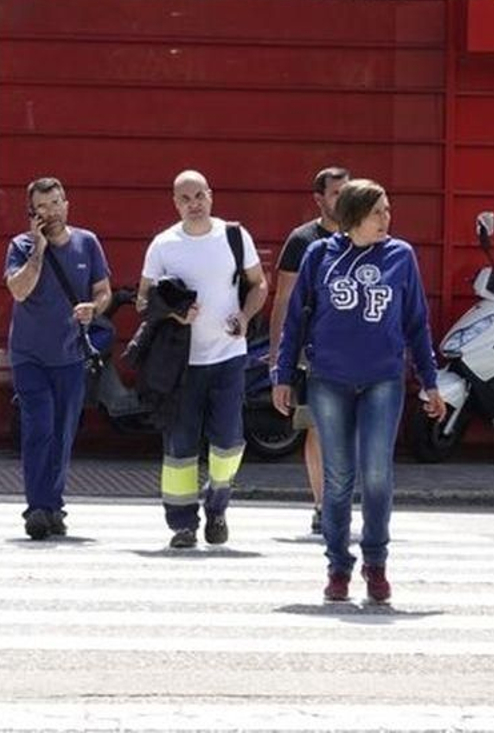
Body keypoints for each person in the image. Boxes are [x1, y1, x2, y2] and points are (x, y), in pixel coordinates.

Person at [272, 178, 443, 605]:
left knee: (377, 473)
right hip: (329, 378)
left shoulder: (401, 256)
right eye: (377, 212)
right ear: (353, 218)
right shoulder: (320, 255)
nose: (387, 218)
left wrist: (430, 380)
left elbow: (416, 322)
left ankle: (376, 562)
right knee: (338, 478)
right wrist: (283, 374)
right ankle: (337, 567)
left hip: (383, 378)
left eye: (387, 210)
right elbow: (296, 319)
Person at [139, 170, 268, 550]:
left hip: (228, 356)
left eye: (199, 196)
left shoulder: (233, 236)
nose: (194, 204)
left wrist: (244, 317)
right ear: (174, 203)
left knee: (229, 441)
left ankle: (217, 506)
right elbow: (143, 300)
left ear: (211, 196)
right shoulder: (164, 244)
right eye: (185, 198)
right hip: (181, 362)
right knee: (179, 446)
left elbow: (259, 283)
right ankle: (182, 524)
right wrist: (174, 315)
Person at [4, 177, 112, 540]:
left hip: (69, 355)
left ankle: (53, 505)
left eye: (54, 203)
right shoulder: (20, 246)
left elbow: (103, 291)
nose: (49, 212)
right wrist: (38, 249)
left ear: (67, 204)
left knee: (63, 432)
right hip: (29, 355)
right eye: (41, 207)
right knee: (39, 427)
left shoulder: (88, 243)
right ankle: (37, 507)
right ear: (31, 212)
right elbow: (18, 291)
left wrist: (92, 309)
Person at [268, 167, 350, 534]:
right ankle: (322, 504)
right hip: (313, 352)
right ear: (319, 198)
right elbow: (283, 301)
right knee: (318, 427)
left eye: (348, 192)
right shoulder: (302, 241)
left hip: (358, 350)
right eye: (336, 193)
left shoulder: (365, 237)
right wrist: (277, 359)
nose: (343, 199)